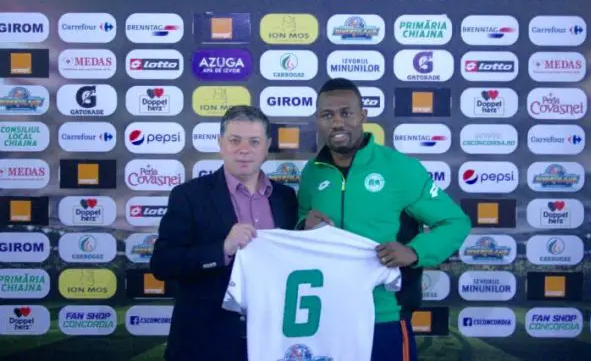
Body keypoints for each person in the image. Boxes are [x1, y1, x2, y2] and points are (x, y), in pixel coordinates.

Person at [297, 78, 471, 361]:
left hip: (385, 316)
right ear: (318, 121)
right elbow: (301, 226)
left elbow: (455, 222)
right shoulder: (311, 174)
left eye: (346, 113)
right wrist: (302, 226)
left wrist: (415, 251)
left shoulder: (400, 168)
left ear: (362, 116)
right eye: (327, 115)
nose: (337, 122)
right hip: (326, 315)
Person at [150, 105, 298, 361]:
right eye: (235, 140)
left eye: (254, 141)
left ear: (267, 146)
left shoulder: (286, 198)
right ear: (220, 144)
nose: (244, 149)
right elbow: (163, 264)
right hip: (206, 343)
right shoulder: (189, 195)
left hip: (270, 340)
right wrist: (223, 249)